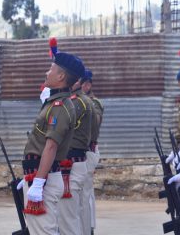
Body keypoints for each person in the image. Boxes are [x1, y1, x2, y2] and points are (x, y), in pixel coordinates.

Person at [20, 51, 84, 235]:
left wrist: (38, 182)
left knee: (44, 232)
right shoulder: (55, 103)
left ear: (61, 76)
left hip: (44, 180)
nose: (47, 73)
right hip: (39, 175)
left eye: (51, 69)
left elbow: (51, 146)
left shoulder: (60, 107)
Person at [58, 66, 94, 235]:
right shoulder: (78, 101)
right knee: (77, 212)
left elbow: (58, 126)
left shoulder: (77, 102)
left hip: (72, 163)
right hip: (75, 161)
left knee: (68, 218)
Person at [81, 69, 104, 235]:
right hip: (81, 153)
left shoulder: (94, 103)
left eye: (86, 83)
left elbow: (94, 126)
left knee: (86, 194)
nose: (84, 86)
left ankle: (88, 228)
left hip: (88, 151)